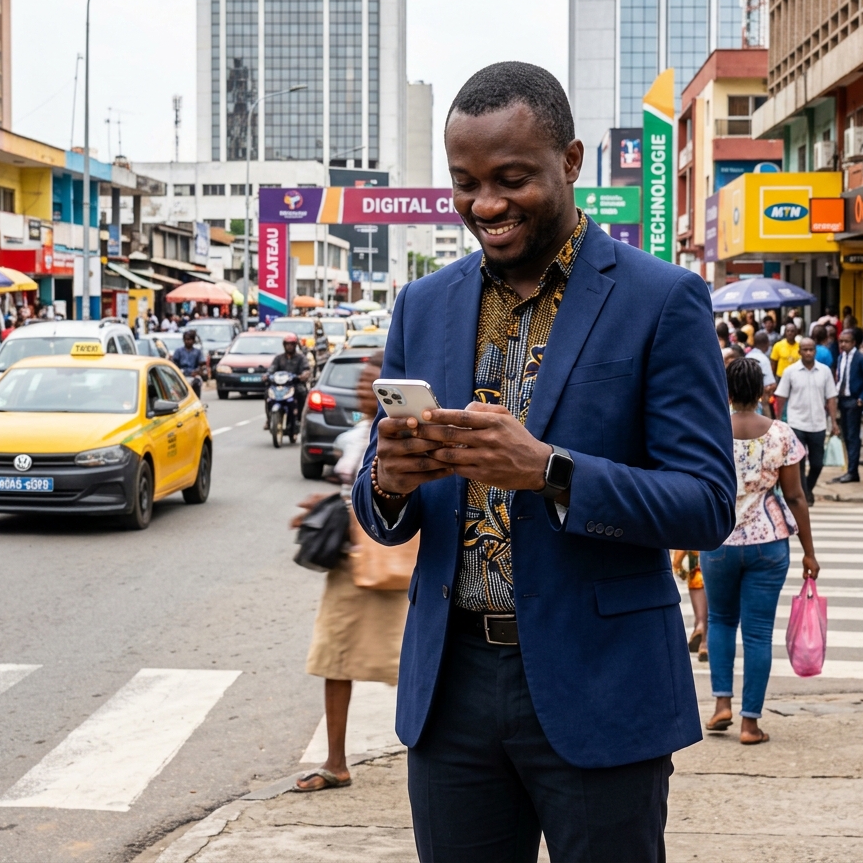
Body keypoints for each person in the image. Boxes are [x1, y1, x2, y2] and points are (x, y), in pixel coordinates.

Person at [352, 61, 736, 862]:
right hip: (450, 686)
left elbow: (705, 502)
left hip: (600, 684)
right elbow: (382, 513)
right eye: (465, 182)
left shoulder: (660, 299)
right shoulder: (425, 305)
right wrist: (388, 482)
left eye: (510, 178)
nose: (484, 205)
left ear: (570, 161)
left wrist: (550, 471)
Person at [293, 351, 413, 791]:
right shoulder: (355, 435)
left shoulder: (396, 433)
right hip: (353, 563)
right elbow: (351, 491)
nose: (364, 388)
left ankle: (428, 758)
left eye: (372, 381)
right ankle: (336, 761)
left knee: (413, 664)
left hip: (393, 559)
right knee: (336, 657)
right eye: (361, 381)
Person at [702, 357, 819, 745]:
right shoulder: (782, 435)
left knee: (719, 621)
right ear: (764, 391)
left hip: (719, 539)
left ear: (729, 392)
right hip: (769, 542)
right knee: (757, 634)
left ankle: (721, 704)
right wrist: (809, 551)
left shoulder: (711, 431)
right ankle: (750, 724)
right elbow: (796, 496)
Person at [773, 337, 839, 506]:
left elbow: (831, 398)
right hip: (796, 424)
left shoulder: (824, 372)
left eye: (811, 350)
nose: (808, 353)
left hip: (818, 424)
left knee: (817, 463)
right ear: (799, 351)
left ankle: (808, 489)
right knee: (799, 464)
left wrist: (834, 422)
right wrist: (778, 420)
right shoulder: (790, 372)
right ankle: (804, 497)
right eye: (805, 349)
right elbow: (781, 397)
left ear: (815, 351)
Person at [831, 327, 863, 483]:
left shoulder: (862, 358)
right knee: (847, 436)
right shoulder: (840, 357)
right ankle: (850, 469)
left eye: (846, 341)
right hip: (842, 400)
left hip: (854, 400)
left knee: (852, 436)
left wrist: (862, 399)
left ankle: (852, 471)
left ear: (854, 342)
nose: (843, 344)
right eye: (841, 341)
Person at [265, 336, 312, 430]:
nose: (289, 347)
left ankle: (301, 418)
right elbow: (272, 369)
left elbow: (306, 369)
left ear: (295, 346)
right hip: (280, 385)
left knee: (302, 393)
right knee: (267, 394)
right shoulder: (279, 358)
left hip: (295, 384)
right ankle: (269, 419)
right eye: (287, 344)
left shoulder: (301, 358)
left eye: (291, 344)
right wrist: (267, 375)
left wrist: (303, 376)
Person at [671, 549, 708, 661]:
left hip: (695, 565)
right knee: (716, 615)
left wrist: (677, 566)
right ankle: (705, 643)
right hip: (716, 560)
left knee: (701, 617)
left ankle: (700, 625)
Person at [746, 330, 777, 416]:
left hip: (745, 402)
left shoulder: (747, 356)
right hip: (759, 403)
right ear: (767, 343)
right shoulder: (764, 359)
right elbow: (770, 384)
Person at [171, 330, 208, 398]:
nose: (187, 341)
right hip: (181, 374)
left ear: (193, 341)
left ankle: (196, 399)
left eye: (189, 339)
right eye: (186, 339)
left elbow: (202, 365)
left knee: (197, 382)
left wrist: (197, 372)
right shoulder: (178, 351)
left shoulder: (197, 352)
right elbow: (174, 364)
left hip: (193, 375)